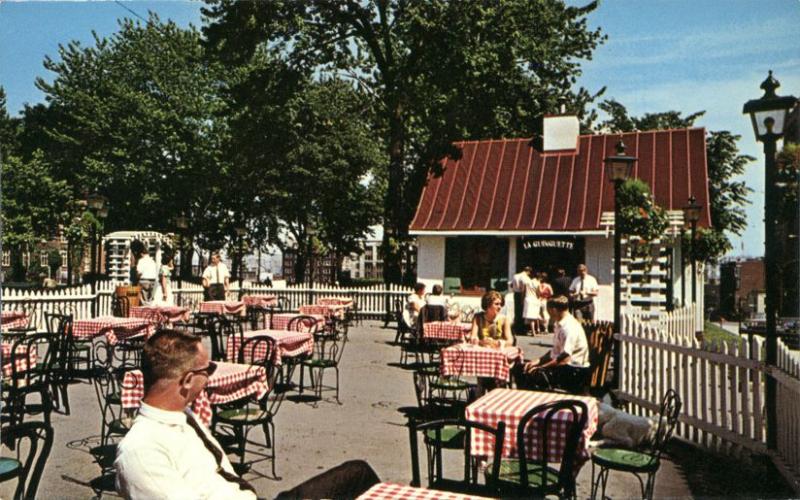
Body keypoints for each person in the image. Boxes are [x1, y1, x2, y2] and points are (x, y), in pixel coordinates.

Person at [115, 330, 257, 499]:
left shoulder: (182, 414)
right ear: (188, 380)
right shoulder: (141, 452)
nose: (210, 377)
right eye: (209, 369)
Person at [514, 296, 590, 394]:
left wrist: (542, 367)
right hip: (565, 367)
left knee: (531, 374)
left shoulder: (569, 328)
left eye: (548, 311)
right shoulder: (560, 324)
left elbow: (564, 358)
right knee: (521, 368)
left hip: (574, 371)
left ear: (553, 310)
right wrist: (537, 361)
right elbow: (556, 351)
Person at [510, 266, 533, 335]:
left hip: (515, 294)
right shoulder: (525, 277)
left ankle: (516, 328)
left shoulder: (515, 276)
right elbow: (524, 288)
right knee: (522, 312)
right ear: (528, 271)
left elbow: (511, 285)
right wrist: (522, 299)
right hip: (521, 294)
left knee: (517, 312)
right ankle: (521, 329)